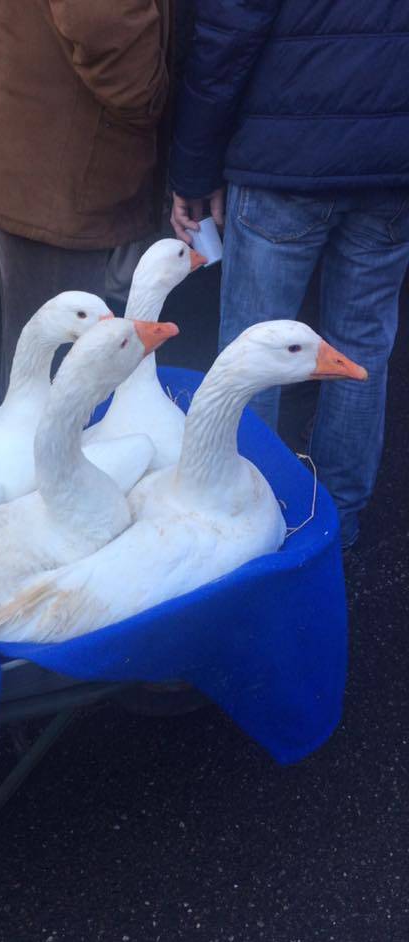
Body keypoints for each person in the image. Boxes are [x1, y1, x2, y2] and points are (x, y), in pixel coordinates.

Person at [168, 1, 409, 549]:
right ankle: (336, 524)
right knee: (363, 344)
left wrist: (193, 169)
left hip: (284, 161)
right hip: (393, 168)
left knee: (251, 347)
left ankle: (248, 525)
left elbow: (224, 42)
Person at [0, 0, 172, 395]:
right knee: (56, 373)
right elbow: (108, 29)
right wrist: (153, 101)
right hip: (58, 166)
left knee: (36, 359)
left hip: (31, 147)